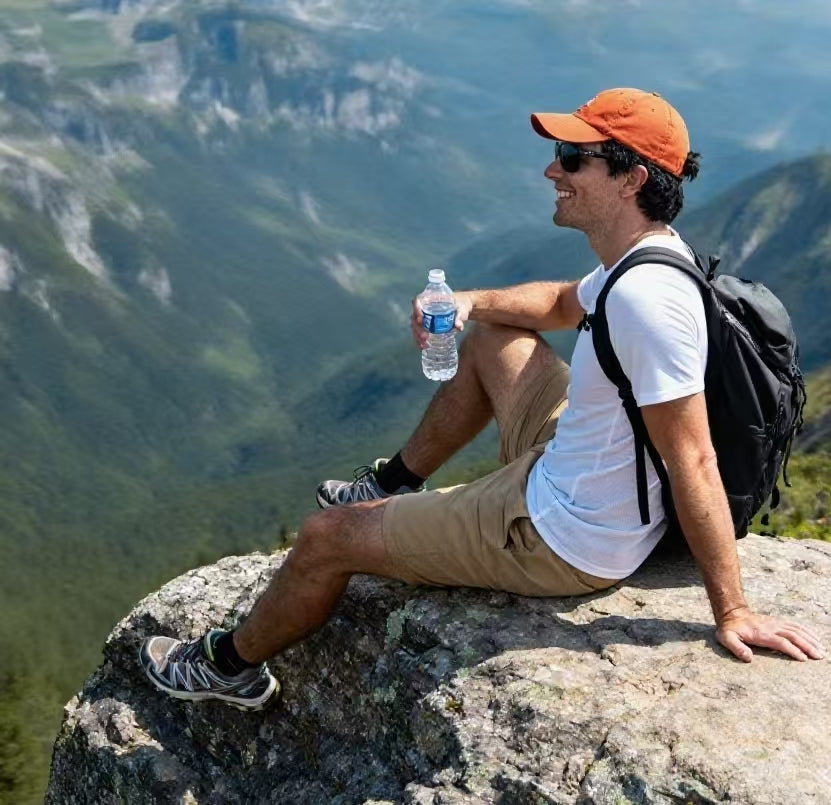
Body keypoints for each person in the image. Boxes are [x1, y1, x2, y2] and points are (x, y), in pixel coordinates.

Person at [139, 88, 825, 710]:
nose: (551, 171)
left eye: (572, 159)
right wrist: (468, 301)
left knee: (324, 539)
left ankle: (226, 667)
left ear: (632, 179)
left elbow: (693, 459)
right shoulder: (646, 257)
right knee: (494, 336)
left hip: (562, 533)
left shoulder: (647, 300)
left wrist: (732, 610)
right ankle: (391, 481)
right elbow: (561, 303)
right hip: (578, 462)